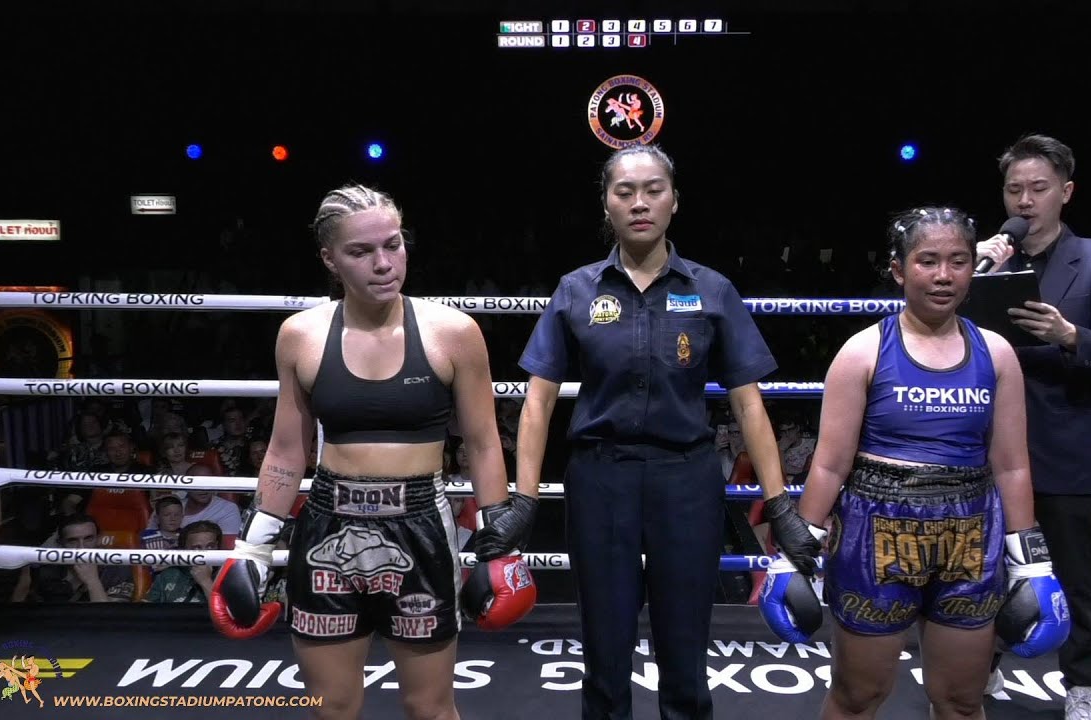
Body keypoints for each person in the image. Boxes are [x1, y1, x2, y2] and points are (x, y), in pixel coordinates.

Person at [208, 184, 536, 720]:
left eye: (393, 245)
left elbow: (481, 441)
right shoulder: (301, 335)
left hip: (421, 526)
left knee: (430, 708)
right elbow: (287, 449)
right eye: (361, 251)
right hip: (328, 525)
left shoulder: (453, 332)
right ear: (330, 259)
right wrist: (254, 548)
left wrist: (497, 542)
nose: (383, 264)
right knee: (332, 708)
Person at [515, 144, 813, 720]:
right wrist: (525, 500)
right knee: (604, 652)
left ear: (674, 201)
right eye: (624, 191)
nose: (639, 203)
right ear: (606, 203)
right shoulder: (576, 288)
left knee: (685, 651)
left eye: (653, 190)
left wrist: (779, 505)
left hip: (687, 480)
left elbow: (749, 404)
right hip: (601, 478)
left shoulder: (712, 289)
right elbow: (538, 401)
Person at [760, 207, 1069, 719]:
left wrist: (1032, 562)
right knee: (857, 697)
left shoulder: (996, 353)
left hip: (970, 536)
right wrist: (796, 555)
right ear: (899, 270)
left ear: (972, 268)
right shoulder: (863, 351)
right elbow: (830, 465)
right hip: (875, 534)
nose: (944, 275)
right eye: (928, 261)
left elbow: (1012, 465)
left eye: (958, 261)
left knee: (962, 701)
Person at [976, 134, 1091, 718]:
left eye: (1038, 188)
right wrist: (972, 273)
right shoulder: (984, 260)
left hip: (1063, 441)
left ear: (1065, 192)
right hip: (985, 442)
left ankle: (1083, 686)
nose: (1024, 200)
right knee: (980, 570)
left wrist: (1070, 336)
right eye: (1014, 189)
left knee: (1074, 575)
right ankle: (980, 667)